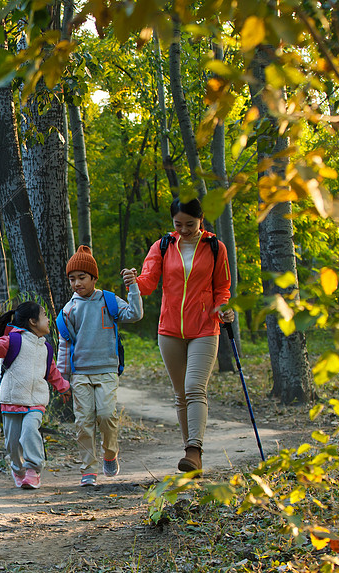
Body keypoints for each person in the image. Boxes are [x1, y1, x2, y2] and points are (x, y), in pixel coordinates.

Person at [126, 197, 235, 474]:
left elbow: (222, 287)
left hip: (204, 327)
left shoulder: (215, 247)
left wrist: (223, 308)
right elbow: (148, 283)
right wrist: (133, 281)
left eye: (190, 224)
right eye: (178, 224)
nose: (184, 229)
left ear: (201, 220)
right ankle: (190, 451)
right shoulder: (162, 246)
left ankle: (194, 450)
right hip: (170, 328)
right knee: (180, 394)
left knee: (194, 387)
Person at [56, 246, 144, 487]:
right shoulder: (68, 310)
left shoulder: (108, 300)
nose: (76, 283)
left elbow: (135, 314)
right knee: (83, 423)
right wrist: (63, 381)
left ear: (94, 278)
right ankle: (88, 469)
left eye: (82, 277)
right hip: (80, 374)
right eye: (72, 279)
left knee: (106, 416)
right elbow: (64, 346)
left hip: (106, 370)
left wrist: (133, 286)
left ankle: (110, 453)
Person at [0, 301, 70, 489]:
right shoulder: (13, 341)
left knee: (30, 431)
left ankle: (33, 469)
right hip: (12, 400)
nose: (48, 319)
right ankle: (18, 469)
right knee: (13, 443)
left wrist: (63, 386)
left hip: (36, 401)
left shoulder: (46, 348)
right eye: (44, 315)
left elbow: (51, 371)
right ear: (33, 321)